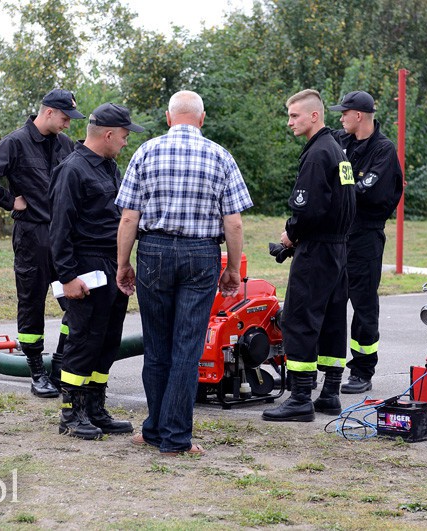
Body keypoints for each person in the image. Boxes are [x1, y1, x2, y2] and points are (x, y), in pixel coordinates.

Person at [115, 90, 252, 455]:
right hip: (200, 254)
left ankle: (153, 429)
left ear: (168, 117)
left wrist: (123, 263)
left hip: (154, 253)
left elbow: (129, 216)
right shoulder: (221, 156)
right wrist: (233, 268)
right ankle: (176, 438)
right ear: (202, 119)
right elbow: (234, 223)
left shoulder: (146, 152)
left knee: (156, 346)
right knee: (187, 349)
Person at [0, 89, 85, 398]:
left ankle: (60, 363)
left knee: (76, 302)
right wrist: (9, 201)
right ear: (47, 112)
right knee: (31, 303)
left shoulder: (65, 145)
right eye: (64, 118)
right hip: (32, 236)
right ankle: (36, 372)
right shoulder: (16, 142)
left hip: (64, 238)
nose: (67, 124)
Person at [49, 103, 144, 439]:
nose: (125, 142)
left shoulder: (109, 168)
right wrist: (67, 277)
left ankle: (94, 408)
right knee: (83, 341)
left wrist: (124, 262)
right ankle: (71, 414)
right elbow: (59, 228)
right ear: (107, 134)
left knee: (106, 342)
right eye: (123, 135)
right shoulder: (72, 170)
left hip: (112, 266)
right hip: (86, 268)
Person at [262, 89, 355, 422]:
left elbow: (309, 207)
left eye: (294, 115)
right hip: (338, 249)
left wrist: (291, 233)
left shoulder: (317, 154)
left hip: (316, 249)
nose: (290, 122)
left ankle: (300, 396)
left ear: (314, 116)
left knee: (299, 319)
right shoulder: (338, 151)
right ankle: (330, 393)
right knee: (331, 320)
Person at [328, 91, 403, 394]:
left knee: (363, 305)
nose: (341, 118)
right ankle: (328, 368)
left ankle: (362, 369)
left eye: (344, 113)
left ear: (359, 115)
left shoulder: (383, 150)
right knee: (332, 301)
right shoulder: (339, 141)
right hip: (338, 235)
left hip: (365, 237)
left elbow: (362, 192)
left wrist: (332, 196)